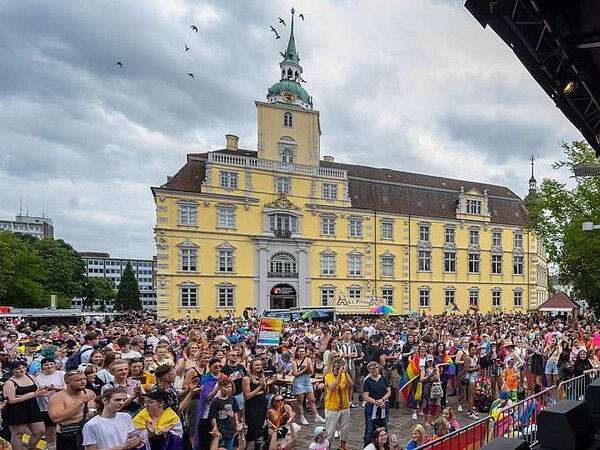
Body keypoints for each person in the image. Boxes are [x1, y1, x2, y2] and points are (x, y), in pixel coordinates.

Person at [3, 360, 49, 450]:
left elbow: (37, 390)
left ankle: (31, 448)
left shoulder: (31, 376)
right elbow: (10, 400)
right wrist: (32, 395)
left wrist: (45, 390)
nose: (21, 370)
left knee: (40, 430)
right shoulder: (10, 383)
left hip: (32, 406)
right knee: (18, 434)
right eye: (17, 369)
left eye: (23, 367)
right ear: (12, 370)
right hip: (17, 409)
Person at [48, 369, 98, 450]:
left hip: (88, 434)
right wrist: (79, 402)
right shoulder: (57, 398)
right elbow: (56, 418)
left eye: (84, 379)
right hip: (68, 436)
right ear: (67, 383)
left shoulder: (90, 393)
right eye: (78, 380)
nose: (83, 382)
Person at [36, 358, 66, 450]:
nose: (49, 366)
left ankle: (62, 444)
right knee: (49, 426)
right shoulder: (38, 378)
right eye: (46, 365)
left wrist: (56, 388)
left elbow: (67, 387)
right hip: (45, 405)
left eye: (51, 364)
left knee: (61, 425)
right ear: (42, 367)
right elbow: (36, 391)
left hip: (61, 404)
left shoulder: (62, 374)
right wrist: (43, 390)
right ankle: (51, 445)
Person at [324, 358, 353, 450]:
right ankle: (327, 447)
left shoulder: (345, 375)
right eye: (337, 368)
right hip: (332, 408)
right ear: (333, 367)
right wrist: (339, 375)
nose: (339, 370)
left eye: (341, 367)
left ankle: (342, 447)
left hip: (344, 406)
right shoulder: (328, 376)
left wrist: (346, 373)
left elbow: (351, 385)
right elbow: (332, 387)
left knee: (345, 430)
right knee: (330, 431)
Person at [291, 346, 325, 425]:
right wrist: (304, 370)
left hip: (307, 380)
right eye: (300, 351)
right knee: (300, 401)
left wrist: (309, 368)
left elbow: (311, 371)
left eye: (303, 351)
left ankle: (316, 416)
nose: (302, 353)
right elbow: (295, 374)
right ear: (297, 353)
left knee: (312, 400)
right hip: (299, 381)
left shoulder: (308, 360)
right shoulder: (294, 362)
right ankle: (302, 417)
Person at [242, 358, 270, 449]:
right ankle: (243, 447)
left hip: (262, 404)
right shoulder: (247, 378)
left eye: (260, 365)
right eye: (256, 365)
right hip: (252, 406)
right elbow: (247, 396)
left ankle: (257, 448)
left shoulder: (262, 376)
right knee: (252, 430)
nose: (259, 367)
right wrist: (260, 386)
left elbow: (265, 392)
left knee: (260, 429)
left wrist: (267, 384)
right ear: (252, 366)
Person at [208, 378, 242, 450]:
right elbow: (212, 417)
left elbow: (235, 411)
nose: (229, 389)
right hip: (221, 430)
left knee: (229, 446)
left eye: (230, 387)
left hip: (231, 429)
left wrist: (237, 423)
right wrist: (215, 429)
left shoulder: (232, 399)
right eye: (226, 387)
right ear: (220, 388)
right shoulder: (215, 401)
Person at [362, 361, 391, 447]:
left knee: (384, 426)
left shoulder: (384, 379)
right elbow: (365, 396)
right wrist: (376, 402)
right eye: (372, 368)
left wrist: (382, 399)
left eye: (376, 367)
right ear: (369, 370)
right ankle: (368, 445)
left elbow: (389, 391)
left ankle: (385, 445)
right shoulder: (367, 381)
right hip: (371, 406)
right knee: (370, 428)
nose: (374, 370)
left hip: (383, 405)